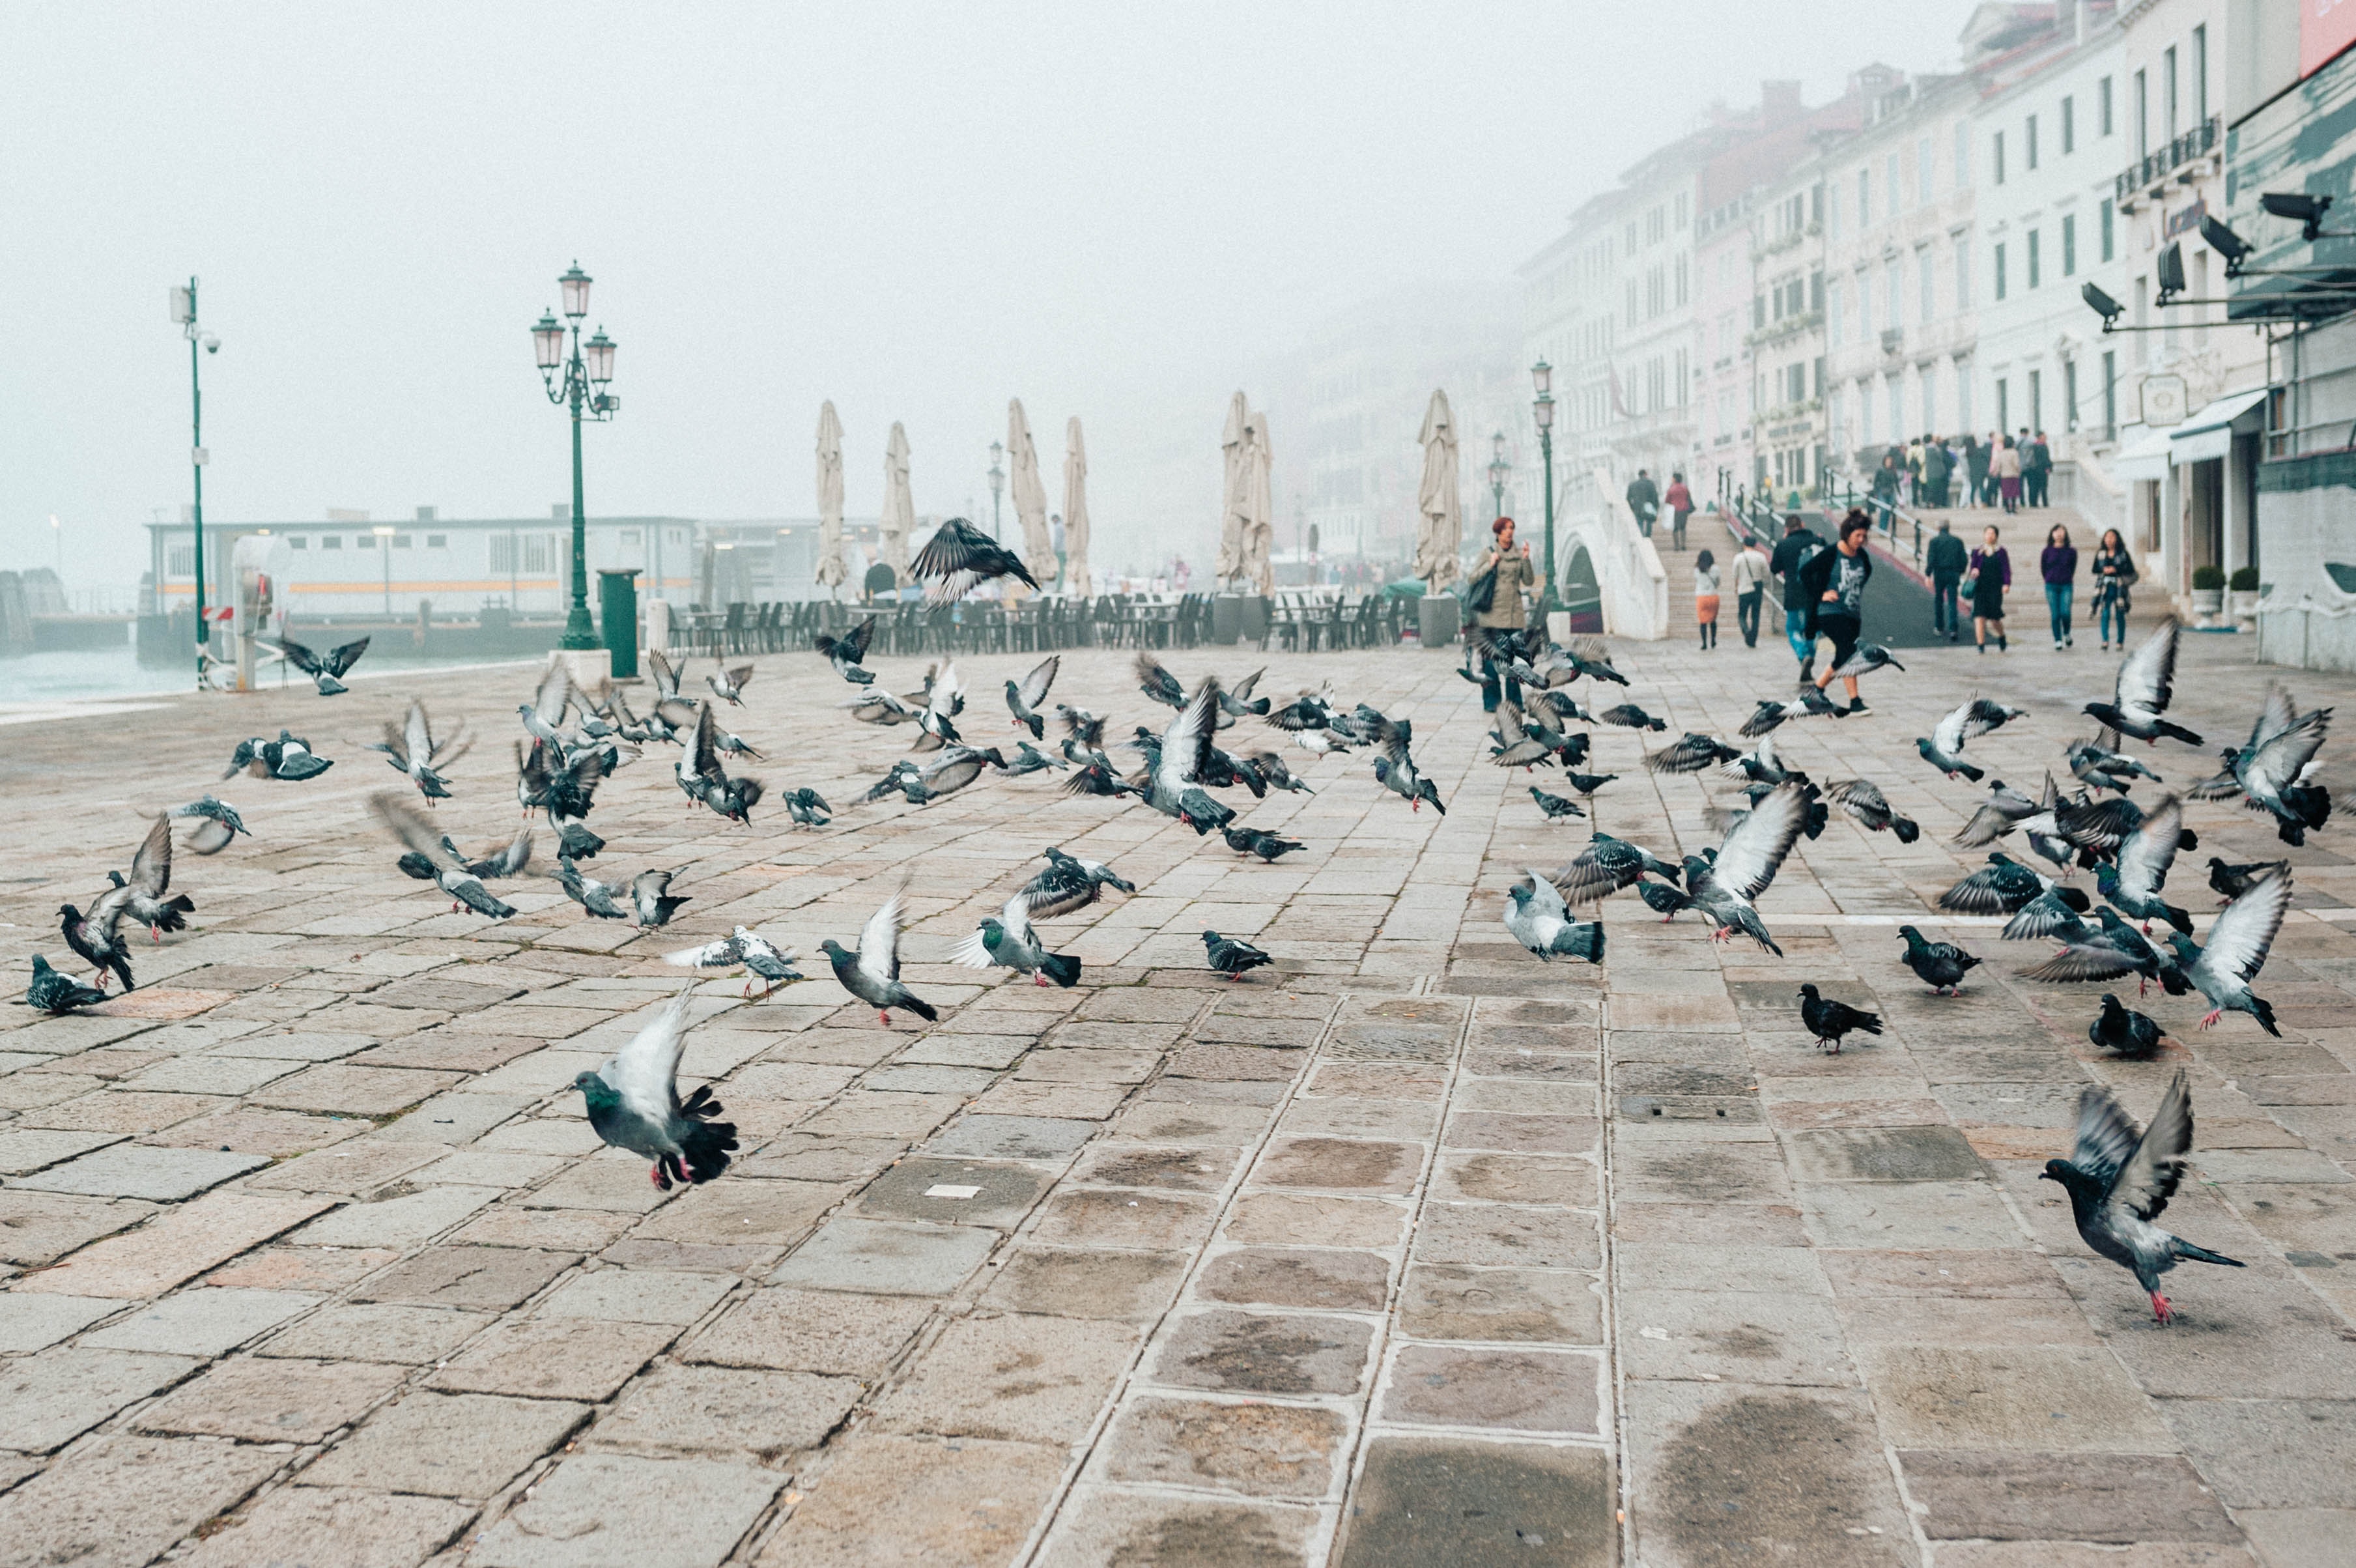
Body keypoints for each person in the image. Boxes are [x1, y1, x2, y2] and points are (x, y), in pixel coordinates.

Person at [1800, 509, 1875, 713]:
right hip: (1830, 612)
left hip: (1852, 614)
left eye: (1864, 536)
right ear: (1847, 534)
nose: (1861, 540)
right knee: (1849, 653)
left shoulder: (1862, 556)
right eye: (1857, 536)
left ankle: (1815, 691)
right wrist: (1822, 593)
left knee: (1842, 657)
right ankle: (1855, 702)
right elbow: (1805, 572)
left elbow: (1866, 573)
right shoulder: (1832, 553)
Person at [1470, 515, 1537, 713]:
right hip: (1492, 615)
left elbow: (1530, 581)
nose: (1510, 531)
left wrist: (1526, 559)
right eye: (1507, 528)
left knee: (1515, 662)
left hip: (1514, 615)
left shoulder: (1519, 553)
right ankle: (1493, 701)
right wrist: (1489, 564)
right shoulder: (1488, 552)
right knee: (1492, 661)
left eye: (1512, 528)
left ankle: (1515, 702)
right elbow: (1472, 578)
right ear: (1498, 532)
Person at [1769, 513, 1826, 669]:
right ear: (1803, 524)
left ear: (1787, 528)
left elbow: (1774, 568)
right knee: (1813, 629)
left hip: (1793, 593)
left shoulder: (1783, 544)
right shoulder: (1817, 541)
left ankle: (1803, 654)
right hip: (1815, 593)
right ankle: (1809, 656)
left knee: (1793, 629)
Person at [2090, 528, 2136, 650]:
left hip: (2119, 587)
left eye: (2112, 537)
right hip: (2105, 588)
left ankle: (2120, 642)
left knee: (2119, 614)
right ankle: (2105, 640)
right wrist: (2104, 570)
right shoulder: (2101, 553)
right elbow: (2094, 569)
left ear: (2117, 539)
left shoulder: (2123, 554)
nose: (2109, 539)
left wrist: (2116, 569)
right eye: (2107, 537)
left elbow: (2130, 569)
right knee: (2105, 613)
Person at [1968, 524, 2011, 652]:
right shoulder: (1978, 551)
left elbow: (2006, 569)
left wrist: (2006, 584)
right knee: (1979, 617)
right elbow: (1972, 567)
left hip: (1995, 589)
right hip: (1980, 588)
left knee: (1994, 618)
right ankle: (1981, 645)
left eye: (1992, 533)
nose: (1990, 536)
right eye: (1987, 533)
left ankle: (2002, 636)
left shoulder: (2001, 551)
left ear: (1996, 536)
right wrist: (1974, 571)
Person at [1926, 519, 1968, 642]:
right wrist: (1960, 571)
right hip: (1953, 573)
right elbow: (1964, 559)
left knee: (1939, 599)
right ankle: (1953, 629)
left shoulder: (1934, 541)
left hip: (1940, 573)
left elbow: (1931, 559)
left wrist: (1928, 574)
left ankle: (1939, 626)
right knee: (1952, 601)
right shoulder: (1957, 541)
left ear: (1938, 528)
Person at [2040, 522, 2078, 649]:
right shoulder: (2047, 551)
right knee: (2055, 614)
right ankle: (2058, 639)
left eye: (2062, 531)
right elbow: (2043, 568)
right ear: (2052, 534)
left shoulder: (2071, 551)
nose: (2059, 534)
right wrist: (2049, 578)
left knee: (2066, 612)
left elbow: (2073, 567)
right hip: (2051, 585)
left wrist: (2067, 577)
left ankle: (2067, 633)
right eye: (2056, 531)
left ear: (2066, 534)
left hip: (2066, 585)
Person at [1729, 534, 1770, 648]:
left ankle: (1746, 630)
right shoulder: (1761, 557)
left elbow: (1735, 575)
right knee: (1755, 616)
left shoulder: (1738, 558)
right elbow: (1766, 574)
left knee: (1742, 615)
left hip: (1744, 589)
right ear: (1755, 545)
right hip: (1757, 589)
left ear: (1744, 544)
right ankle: (1753, 639)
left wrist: (1736, 588)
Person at [1694, 548, 1720, 649]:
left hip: (1701, 597)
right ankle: (1713, 640)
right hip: (1713, 596)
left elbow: (1696, 579)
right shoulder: (1716, 568)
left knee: (1703, 621)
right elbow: (1718, 582)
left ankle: (1704, 643)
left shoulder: (1697, 569)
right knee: (1713, 620)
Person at [1664, 471, 1694, 551]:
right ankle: (1683, 544)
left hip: (1675, 510)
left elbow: (1667, 500)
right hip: (1684, 510)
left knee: (1675, 528)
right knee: (1683, 527)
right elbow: (1688, 497)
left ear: (1675, 479)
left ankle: (1677, 546)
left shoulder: (1671, 489)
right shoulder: (1685, 488)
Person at [1626, 470, 1660, 538]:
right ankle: (1648, 537)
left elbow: (1628, 498)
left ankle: (1642, 538)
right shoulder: (1650, 483)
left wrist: (1632, 507)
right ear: (1646, 475)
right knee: (1649, 523)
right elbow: (1655, 496)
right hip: (1649, 507)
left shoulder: (1632, 484)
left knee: (1639, 524)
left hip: (1637, 508)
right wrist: (1656, 507)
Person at [1994, 436, 2022, 515]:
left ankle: (2007, 509)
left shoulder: (2001, 453)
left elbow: (1999, 465)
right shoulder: (2014, 452)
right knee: (2014, 492)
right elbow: (2016, 464)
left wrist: (1997, 472)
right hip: (2013, 475)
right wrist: (2019, 470)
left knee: (2006, 493)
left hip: (2004, 475)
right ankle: (2013, 508)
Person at [2022, 428, 2051, 508]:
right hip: (2041, 470)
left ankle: (2033, 503)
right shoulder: (2043, 446)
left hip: (2033, 469)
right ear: (2040, 437)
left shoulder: (2033, 446)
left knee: (2035, 487)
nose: (2046, 438)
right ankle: (2045, 503)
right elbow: (2046, 459)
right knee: (2043, 487)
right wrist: (2048, 467)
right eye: (2044, 436)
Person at [1921, 436, 1950, 511]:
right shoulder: (1932, 449)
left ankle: (1932, 503)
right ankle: (1931, 503)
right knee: (1934, 489)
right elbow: (1940, 457)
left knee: (1933, 489)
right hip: (1935, 473)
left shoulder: (1927, 449)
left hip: (1932, 473)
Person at [1965, 433, 1991, 509]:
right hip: (1981, 471)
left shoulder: (1968, 452)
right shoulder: (1979, 450)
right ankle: (1984, 502)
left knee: (1973, 488)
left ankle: (1972, 503)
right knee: (1981, 487)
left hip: (1973, 472)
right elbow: (1987, 456)